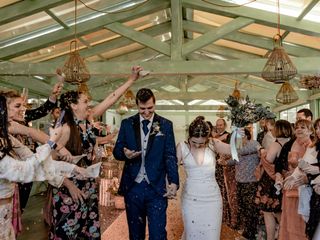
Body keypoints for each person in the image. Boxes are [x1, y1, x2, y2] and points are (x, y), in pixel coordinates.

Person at [49, 66, 143, 239]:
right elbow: (49, 164)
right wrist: (70, 186)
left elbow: (111, 98)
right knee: (70, 232)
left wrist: (131, 79)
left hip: (88, 185)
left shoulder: (87, 123)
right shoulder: (66, 129)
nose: (89, 105)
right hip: (69, 189)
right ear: (73, 105)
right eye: (85, 102)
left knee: (88, 232)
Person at [0, 94, 95, 240]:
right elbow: (23, 172)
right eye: (18, 106)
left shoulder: (7, 137)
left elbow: (38, 162)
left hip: (6, 211)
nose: (23, 110)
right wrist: (51, 142)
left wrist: (74, 169)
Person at [113, 88, 179, 240]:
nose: (147, 112)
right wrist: (125, 154)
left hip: (156, 189)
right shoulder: (127, 123)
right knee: (136, 235)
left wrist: (174, 182)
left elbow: (170, 156)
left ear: (155, 104)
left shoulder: (165, 125)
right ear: (137, 105)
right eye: (142, 109)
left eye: (150, 108)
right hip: (133, 188)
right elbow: (117, 151)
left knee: (158, 235)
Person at [177, 116, 233, 240]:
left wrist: (237, 133)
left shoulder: (214, 144)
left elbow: (235, 150)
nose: (197, 146)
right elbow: (171, 170)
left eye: (201, 143)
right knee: (192, 233)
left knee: (211, 234)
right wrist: (170, 185)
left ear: (208, 139)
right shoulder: (182, 147)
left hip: (212, 200)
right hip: (190, 199)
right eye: (194, 142)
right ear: (189, 136)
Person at [275, 119, 313, 240]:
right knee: (289, 220)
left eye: (303, 127)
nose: (299, 129)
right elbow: (280, 164)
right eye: (297, 127)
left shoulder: (312, 146)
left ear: (310, 131)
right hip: (289, 187)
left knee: (301, 222)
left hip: (303, 189)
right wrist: (280, 175)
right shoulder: (291, 144)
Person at [256, 120, 293, 240]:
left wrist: (262, 153)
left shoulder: (276, 144)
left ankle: (272, 238)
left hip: (272, 181)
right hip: (286, 179)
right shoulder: (292, 142)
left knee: (269, 212)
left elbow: (269, 160)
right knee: (281, 211)